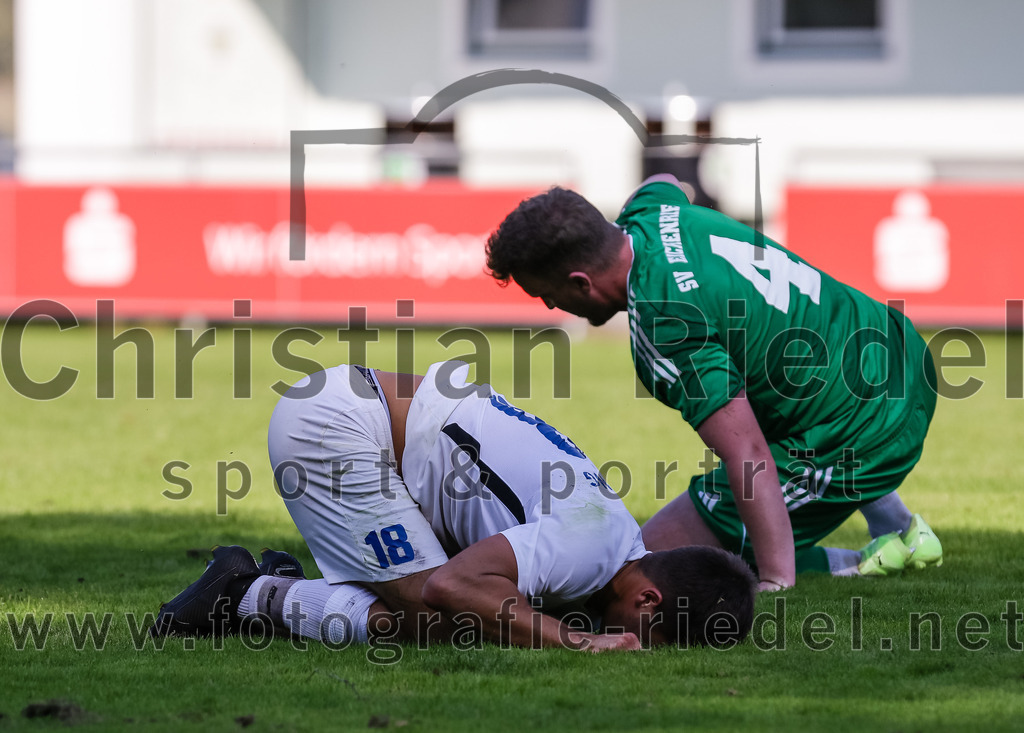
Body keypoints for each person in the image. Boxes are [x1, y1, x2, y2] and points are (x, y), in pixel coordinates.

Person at [484, 175, 943, 592]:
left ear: (581, 282)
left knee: (645, 565)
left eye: (545, 293)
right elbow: (665, 181)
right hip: (898, 350)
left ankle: (859, 563)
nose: (548, 306)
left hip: (873, 422)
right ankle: (900, 527)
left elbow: (747, 454)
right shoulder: (649, 214)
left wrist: (774, 580)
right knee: (775, 381)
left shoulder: (666, 319)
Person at [151, 360, 757, 650]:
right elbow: (450, 588)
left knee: (491, 615)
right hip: (335, 425)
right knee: (437, 620)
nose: (630, 646)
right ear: (647, 599)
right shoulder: (590, 547)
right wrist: (576, 642)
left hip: (369, 407)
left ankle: (269, 591)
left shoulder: (611, 539)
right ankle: (245, 594)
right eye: (645, 640)